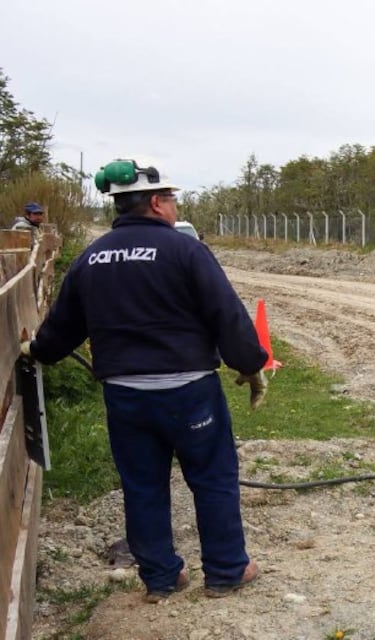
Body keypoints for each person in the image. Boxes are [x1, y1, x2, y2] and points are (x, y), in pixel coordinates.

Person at [20, 157, 268, 602]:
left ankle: (160, 578)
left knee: (142, 485)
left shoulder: (92, 258)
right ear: (155, 202)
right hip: (191, 393)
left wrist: (37, 352)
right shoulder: (186, 251)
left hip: (126, 397)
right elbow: (225, 313)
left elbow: (62, 329)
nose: (174, 206)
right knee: (212, 477)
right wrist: (249, 364)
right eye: (171, 199)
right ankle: (228, 570)